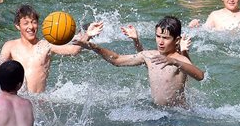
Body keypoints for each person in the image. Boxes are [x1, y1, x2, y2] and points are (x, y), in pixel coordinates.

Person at [74, 16, 204, 107]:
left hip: (178, 115)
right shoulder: (149, 56)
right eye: (158, 36)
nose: (160, 41)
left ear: (176, 40)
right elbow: (117, 60)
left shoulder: (179, 60)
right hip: (158, 112)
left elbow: (200, 76)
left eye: (166, 38)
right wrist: (93, 46)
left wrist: (174, 62)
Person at [0, 5, 103, 94]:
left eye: (34, 22)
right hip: (18, 99)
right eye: (25, 23)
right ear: (18, 26)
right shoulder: (10, 46)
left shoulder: (46, 46)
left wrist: (88, 35)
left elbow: (73, 50)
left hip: (39, 100)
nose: (31, 27)